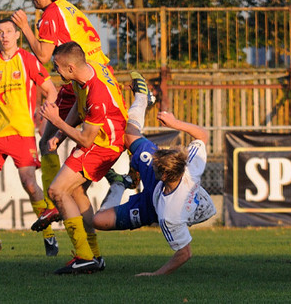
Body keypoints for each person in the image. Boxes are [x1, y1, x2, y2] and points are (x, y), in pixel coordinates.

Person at [12, 0, 116, 255]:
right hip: (98, 75)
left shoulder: (50, 15)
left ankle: (51, 204)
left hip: (81, 82)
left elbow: (44, 57)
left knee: (52, 145)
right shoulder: (68, 8)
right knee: (74, 181)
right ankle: (90, 253)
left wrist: (25, 29)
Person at [93, 74, 217, 275]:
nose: (153, 163)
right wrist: (175, 123)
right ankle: (143, 98)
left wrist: (155, 274)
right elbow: (203, 135)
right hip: (162, 188)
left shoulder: (170, 215)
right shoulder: (190, 167)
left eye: (155, 165)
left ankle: (119, 184)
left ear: (165, 175)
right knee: (129, 135)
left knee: (98, 221)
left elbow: (184, 253)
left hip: (154, 207)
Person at [33, 41, 128, 274]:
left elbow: (86, 140)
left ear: (71, 68)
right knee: (75, 192)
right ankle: (94, 256)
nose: (55, 70)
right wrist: (59, 135)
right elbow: (78, 103)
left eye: (57, 67)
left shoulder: (98, 94)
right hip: (101, 140)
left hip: (103, 144)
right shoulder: (85, 73)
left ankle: (83, 256)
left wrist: (57, 122)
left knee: (57, 191)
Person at [0, 18, 57, 257]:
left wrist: (46, 118)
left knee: (29, 184)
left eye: (9, 31)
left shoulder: (27, 59)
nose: (4, 35)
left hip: (22, 133)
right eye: (0, 32)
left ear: (17, 35)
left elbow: (52, 90)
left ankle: (49, 236)